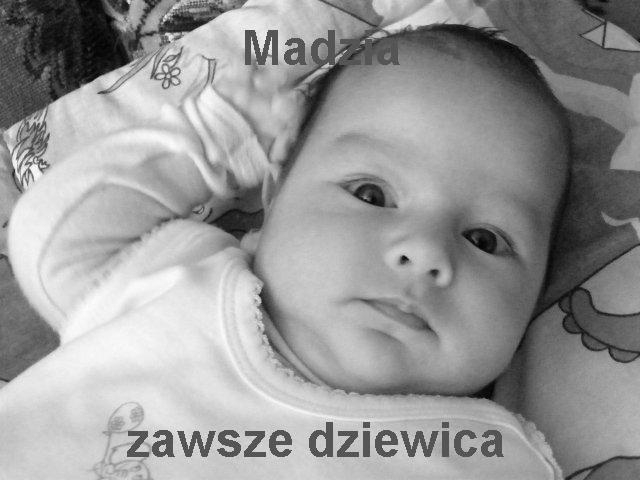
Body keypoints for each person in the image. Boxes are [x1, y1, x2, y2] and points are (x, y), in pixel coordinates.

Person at [0, 25, 569, 478]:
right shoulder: (178, 279)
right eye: (371, 194)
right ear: (275, 190)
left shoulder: (486, 457)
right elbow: (51, 233)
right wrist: (226, 139)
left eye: (485, 240)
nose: (425, 252)